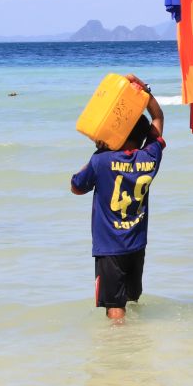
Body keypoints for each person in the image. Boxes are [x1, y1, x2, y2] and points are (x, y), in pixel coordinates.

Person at [70, 73, 165, 322]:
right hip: (137, 245)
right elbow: (158, 117)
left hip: (110, 247)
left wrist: (97, 152)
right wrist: (144, 92)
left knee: (115, 308)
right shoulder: (150, 157)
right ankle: (137, 340)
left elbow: (76, 187)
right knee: (132, 300)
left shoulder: (101, 161)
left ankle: (120, 346)